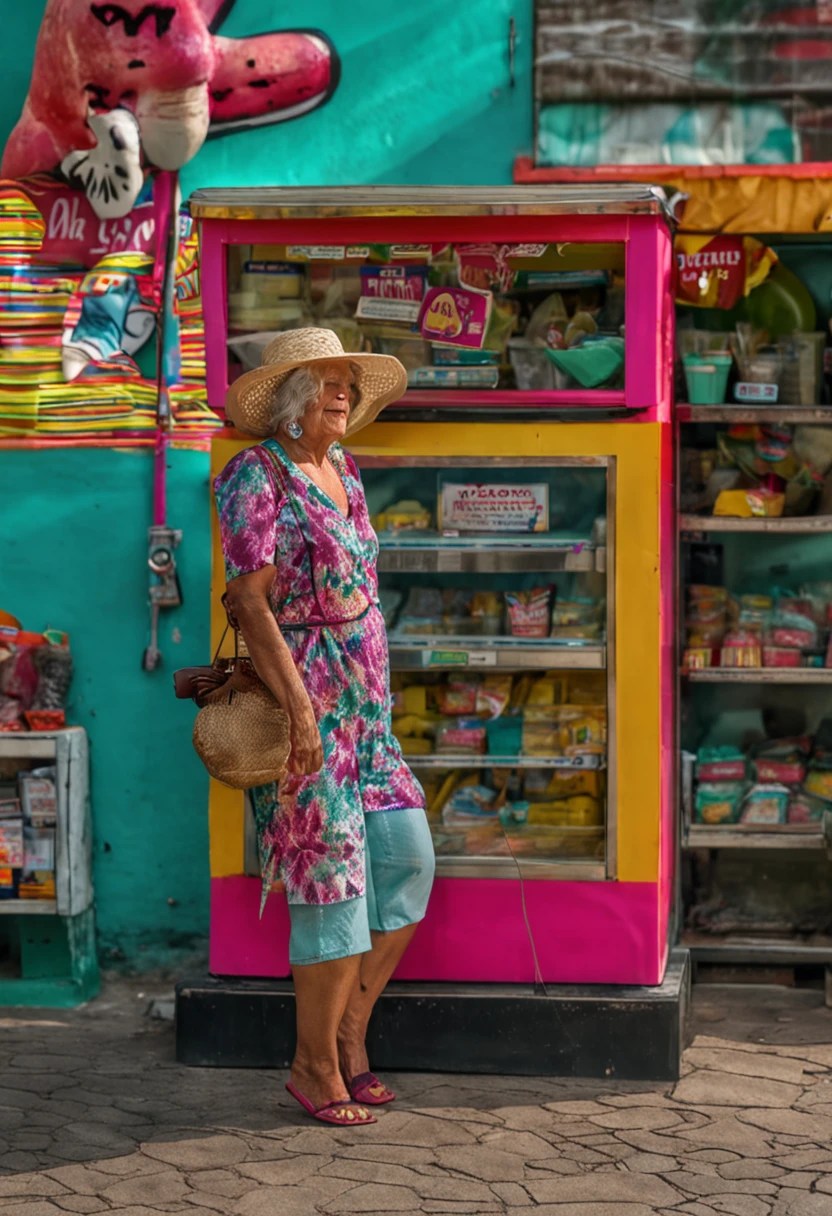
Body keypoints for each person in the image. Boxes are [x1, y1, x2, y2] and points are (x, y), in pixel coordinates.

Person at [214, 328, 435, 1127]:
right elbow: (248, 601)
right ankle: (314, 1067)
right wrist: (303, 711)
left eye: (349, 380)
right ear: (293, 399)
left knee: (407, 863)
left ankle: (348, 1030)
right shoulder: (256, 473)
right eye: (328, 380)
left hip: (367, 717)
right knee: (331, 890)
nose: (344, 392)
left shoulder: (343, 468)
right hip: (307, 717)